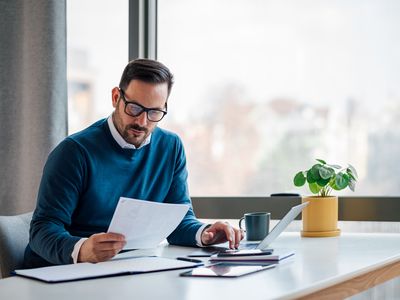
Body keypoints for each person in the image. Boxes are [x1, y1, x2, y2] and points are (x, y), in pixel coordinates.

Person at [24, 59, 243, 267]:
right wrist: (82, 249)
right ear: (115, 97)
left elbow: (179, 222)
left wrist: (206, 233)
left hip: (125, 270)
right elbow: (42, 230)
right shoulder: (74, 152)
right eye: (135, 108)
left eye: (154, 112)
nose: (142, 121)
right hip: (60, 274)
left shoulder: (171, 147)